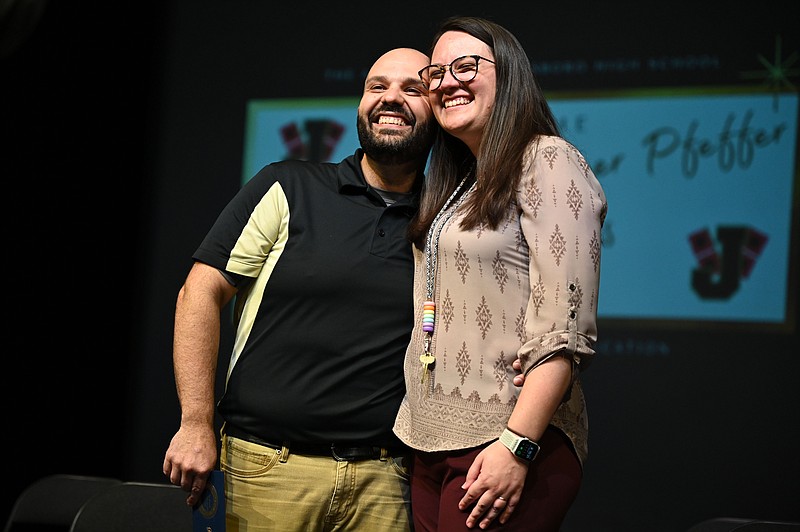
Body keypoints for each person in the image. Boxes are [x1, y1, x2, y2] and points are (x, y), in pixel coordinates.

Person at [162, 47, 439, 531]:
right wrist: (195, 422)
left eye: (412, 89)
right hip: (264, 472)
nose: (390, 99)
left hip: (384, 483)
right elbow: (198, 294)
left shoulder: (445, 222)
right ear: (360, 104)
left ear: (438, 111)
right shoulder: (289, 186)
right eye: (377, 86)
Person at [392, 16, 608, 532]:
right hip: (427, 441)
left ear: (507, 74)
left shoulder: (547, 160)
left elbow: (565, 326)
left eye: (466, 66)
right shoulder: (455, 181)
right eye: (436, 73)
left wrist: (517, 445)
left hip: (506, 440)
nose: (447, 82)